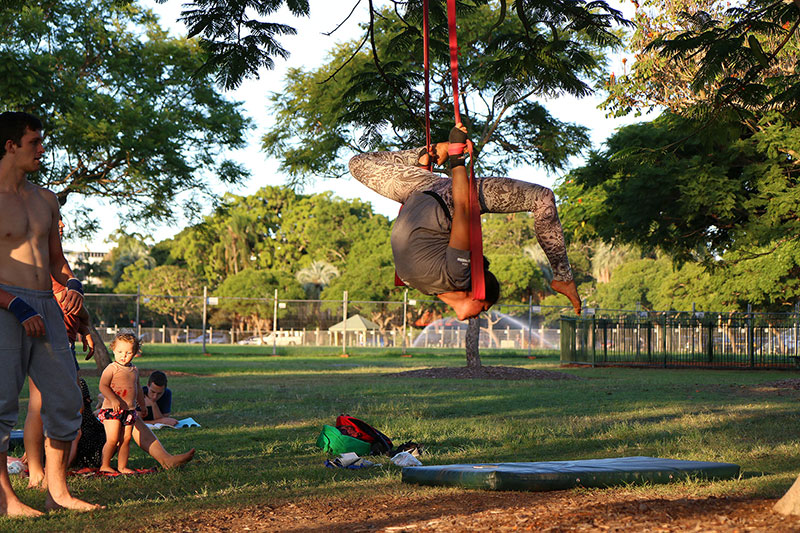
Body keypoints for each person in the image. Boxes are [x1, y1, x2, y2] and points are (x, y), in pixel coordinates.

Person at [349, 124, 581, 320]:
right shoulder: (458, 276)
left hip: (416, 189)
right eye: (484, 309)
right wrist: (456, 156)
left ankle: (425, 152)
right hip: (452, 196)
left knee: (357, 163)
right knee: (543, 198)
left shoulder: (424, 286)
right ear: (478, 296)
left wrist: (422, 164)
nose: (480, 314)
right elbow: (462, 209)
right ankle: (562, 276)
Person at [0, 111, 101, 515]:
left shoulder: (46, 199)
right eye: (34, 142)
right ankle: (6, 500)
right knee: (2, 404)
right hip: (6, 306)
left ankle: (56, 493)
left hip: (46, 306)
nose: (42, 150)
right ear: (10, 146)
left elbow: (57, 261)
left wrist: (73, 287)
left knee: (65, 399)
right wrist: (16, 304)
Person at [23, 219, 96, 489]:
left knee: (51, 405)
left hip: (62, 338)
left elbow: (74, 304)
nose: (61, 224)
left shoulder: (55, 256)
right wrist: (83, 320)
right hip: (49, 339)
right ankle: (40, 473)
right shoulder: (43, 259)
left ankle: (43, 472)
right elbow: (67, 299)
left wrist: (84, 324)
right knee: (48, 405)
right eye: (55, 220)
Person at [97, 331, 147, 474]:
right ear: (113, 349)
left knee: (126, 439)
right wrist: (113, 399)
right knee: (112, 439)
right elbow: (103, 386)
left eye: (128, 352)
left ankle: (122, 466)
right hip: (111, 410)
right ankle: (104, 465)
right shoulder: (112, 368)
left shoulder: (134, 370)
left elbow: (138, 390)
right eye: (119, 351)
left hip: (129, 410)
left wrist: (142, 406)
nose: (123, 356)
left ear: (135, 352)